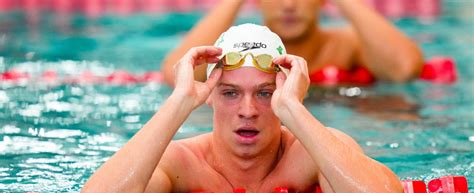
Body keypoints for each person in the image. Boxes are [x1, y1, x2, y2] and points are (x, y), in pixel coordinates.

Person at [79, 24, 404, 193]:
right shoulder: (181, 163)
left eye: (264, 93)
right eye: (230, 93)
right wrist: (178, 103)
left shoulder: (312, 154)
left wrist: (294, 109)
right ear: (211, 96)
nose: (247, 110)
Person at [161, 0, 424, 86]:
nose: (288, 5)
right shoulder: (237, 50)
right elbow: (176, 76)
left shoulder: (346, 45)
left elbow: (404, 70)